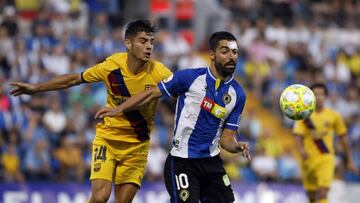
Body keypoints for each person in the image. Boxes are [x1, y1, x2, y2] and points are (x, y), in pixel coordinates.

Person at [10, 19, 172, 203]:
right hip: (108, 141)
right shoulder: (111, 67)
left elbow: (185, 89)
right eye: (143, 41)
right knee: (100, 197)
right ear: (128, 43)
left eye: (151, 42)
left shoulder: (160, 72)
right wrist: (36, 88)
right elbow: (75, 79)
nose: (149, 46)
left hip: (137, 147)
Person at [95, 31, 251, 203]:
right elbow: (150, 94)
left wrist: (236, 146)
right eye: (225, 51)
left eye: (234, 52)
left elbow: (226, 138)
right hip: (182, 162)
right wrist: (119, 109)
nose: (231, 57)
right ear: (212, 54)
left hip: (212, 164)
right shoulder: (189, 78)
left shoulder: (238, 95)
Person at [293, 83, 359, 203]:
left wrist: (349, 160)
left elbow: (343, 138)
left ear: (326, 97)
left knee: (322, 192)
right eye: (315, 94)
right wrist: (301, 150)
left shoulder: (334, 116)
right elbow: (298, 135)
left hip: (326, 157)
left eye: (321, 94)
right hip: (308, 159)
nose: (319, 97)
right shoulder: (304, 115)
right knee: (311, 196)